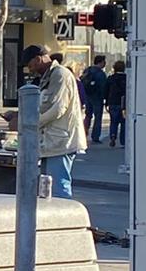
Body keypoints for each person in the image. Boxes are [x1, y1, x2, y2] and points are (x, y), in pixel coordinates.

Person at [20, 44, 85, 197]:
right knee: (47, 188)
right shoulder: (48, 77)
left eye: (30, 65)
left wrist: (28, 124)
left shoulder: (60, 75)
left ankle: (67, 219)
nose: (30, 70)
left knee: (58, 188)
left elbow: (56, 109)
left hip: (61, 142)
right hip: (51, 142)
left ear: (38, 59)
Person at [79, 53, 108, 142]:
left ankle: (83, 133)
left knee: (88, 115)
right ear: (101, 62)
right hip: (97, 97)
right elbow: (103, 86)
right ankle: (95, 136)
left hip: (88, 95)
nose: (105, 63)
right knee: (98, 117)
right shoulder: (101, 73)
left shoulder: (87, 70)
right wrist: (105, 97)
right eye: (104, 62)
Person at [105, 57, 127, 147]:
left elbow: (106, 90)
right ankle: (123, 141)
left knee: (113, 121)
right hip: (124, 103)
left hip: (113, 102)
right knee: (124, 122)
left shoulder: (111, 78)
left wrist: (106, 102)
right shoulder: (127, 78)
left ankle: (113, 136)